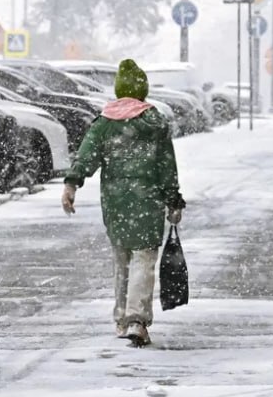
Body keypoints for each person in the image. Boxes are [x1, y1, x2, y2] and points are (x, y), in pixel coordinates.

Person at [61, 59, 185, 346]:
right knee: (143, 259)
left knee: (122, 260)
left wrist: (71, 185)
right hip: (148, 202)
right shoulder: (155, 123)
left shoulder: (105, 123)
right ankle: (137, 319)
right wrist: (172, 199)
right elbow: (167, 166)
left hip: (116, 203)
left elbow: (86, 156)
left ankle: (121, 318)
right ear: (142, 91)